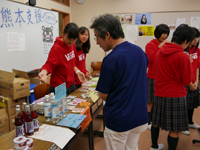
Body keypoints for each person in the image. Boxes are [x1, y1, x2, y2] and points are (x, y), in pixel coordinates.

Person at [90, 14, 148, 150]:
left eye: (97, 37)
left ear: (107, 34)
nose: (97, 42)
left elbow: (103, 95)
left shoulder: (111, 59)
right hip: (139, 116)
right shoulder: (140, 51)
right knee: (132, 147)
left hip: (120, 120)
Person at [150, 24, 195, 150]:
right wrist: (190, 64)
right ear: (185, 41)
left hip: (159, 93)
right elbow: (186, 81)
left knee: (155, 123)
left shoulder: (158, 53)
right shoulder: (183, 56)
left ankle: (154, 146)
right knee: (175, 129)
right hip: (176, 95)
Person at [39, 23, 86, 95]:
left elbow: (71, 62)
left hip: (71, 84)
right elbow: (49, 64)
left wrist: (77, 72)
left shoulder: (72, 44)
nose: (71, 42)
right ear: (63, 33)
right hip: (59, 86)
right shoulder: (56, 48)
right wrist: (44, 72)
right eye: (69, 39)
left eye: (74, 39)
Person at [145, 24, 170, 130]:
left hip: (164, 77)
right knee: (150, 101)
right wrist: (161, 46)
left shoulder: (168, 45)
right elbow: (151, 59)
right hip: (152, 77)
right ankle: (148, 122)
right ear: (157, 34)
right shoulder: (150, 44)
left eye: (166, 34)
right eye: (163, 33)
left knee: (160, 101)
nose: (165, 36)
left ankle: (157, 120)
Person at [182, 27, 200, 135]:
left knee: (192, 104)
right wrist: (189, 83)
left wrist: (196, 82)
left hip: (194, 81)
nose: (196, 40)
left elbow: (197, 67)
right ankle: (183, 125)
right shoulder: (183, 52)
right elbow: (183, 69)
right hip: (186, 82)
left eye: (197, 37)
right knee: (184, 104)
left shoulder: (197, 50)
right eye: (194, 37)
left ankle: (190, 122)